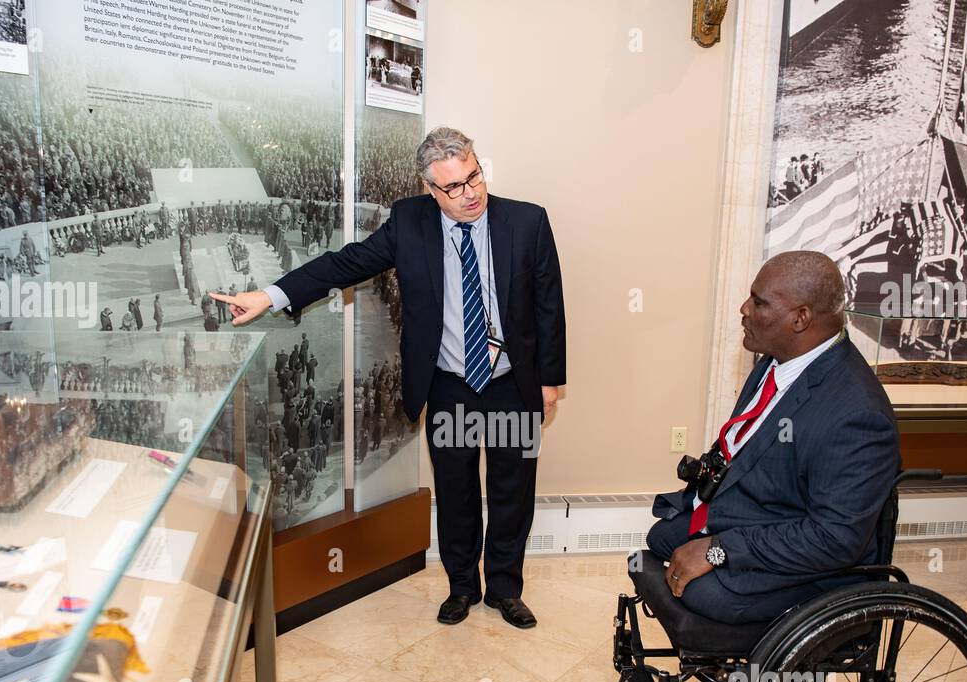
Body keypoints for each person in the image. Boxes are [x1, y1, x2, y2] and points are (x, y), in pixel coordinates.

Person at [211, 127, 566, 629]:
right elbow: (344, 264)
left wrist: (550, 380)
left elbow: (549, 305)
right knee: (457, 491)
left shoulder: (527, 222)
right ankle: (463, 587)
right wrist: (271, 295)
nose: (469, 194)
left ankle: (505, 589)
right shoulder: (408, 223)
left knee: (513, 491)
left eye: (474, 178)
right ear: (429, 189)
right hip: (450, 384)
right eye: (453, 188)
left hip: (512, 382)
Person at [647, 251, 899, 624]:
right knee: (662, 537)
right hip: (760, 514)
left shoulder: (858, 414)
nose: (743, 309)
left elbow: (834, 538)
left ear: (801, 318)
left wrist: (719, 549)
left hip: (813, 559)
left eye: (759, 302)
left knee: (701, 591)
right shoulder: (774, 362)